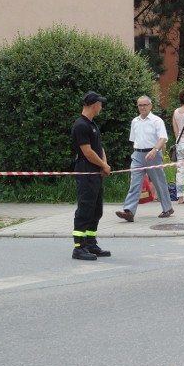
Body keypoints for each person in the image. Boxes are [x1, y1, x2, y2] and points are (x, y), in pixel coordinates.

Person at [116, 95, 173, 222]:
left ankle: (168, 208)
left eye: (145, 105)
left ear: (150, 106)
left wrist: (155, 150)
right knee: (134, 184)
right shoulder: (134, 121)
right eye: (140, 105)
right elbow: (134, 140)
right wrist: (136, 152)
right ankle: (129, 211)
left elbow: (163, 138)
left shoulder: (157, 121)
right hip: (138, 155)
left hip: (153, 154)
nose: (142, 107)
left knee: (159, 182)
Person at [70, 91, 112, 260]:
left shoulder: (92, 125)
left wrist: (104, 164)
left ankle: (90, 244)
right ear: (94, 104)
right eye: (100, 104)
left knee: (96, 210)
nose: (101, 107)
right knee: (85, 209)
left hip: (95, 171)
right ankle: (79, 247)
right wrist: (103, 165)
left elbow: (98, 148)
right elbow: (87, 152)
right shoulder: (80, 125)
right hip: (86, 170)